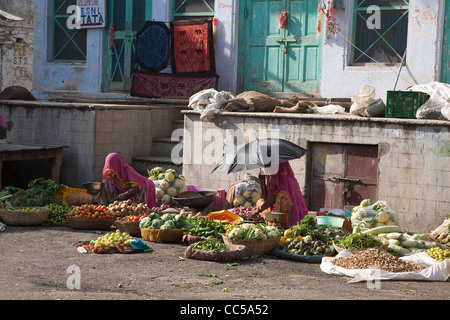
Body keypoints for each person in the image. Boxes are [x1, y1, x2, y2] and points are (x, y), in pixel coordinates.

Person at [252, 162, 308, 229]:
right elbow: (266, 198)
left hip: (287, 213)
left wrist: (257, 211)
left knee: (281, 196)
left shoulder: (285, 180)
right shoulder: (272, 179)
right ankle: (270, 222)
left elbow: (273, 199)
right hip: (275, 208)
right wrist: (262, 180)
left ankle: (281, 227)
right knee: (260, 201)